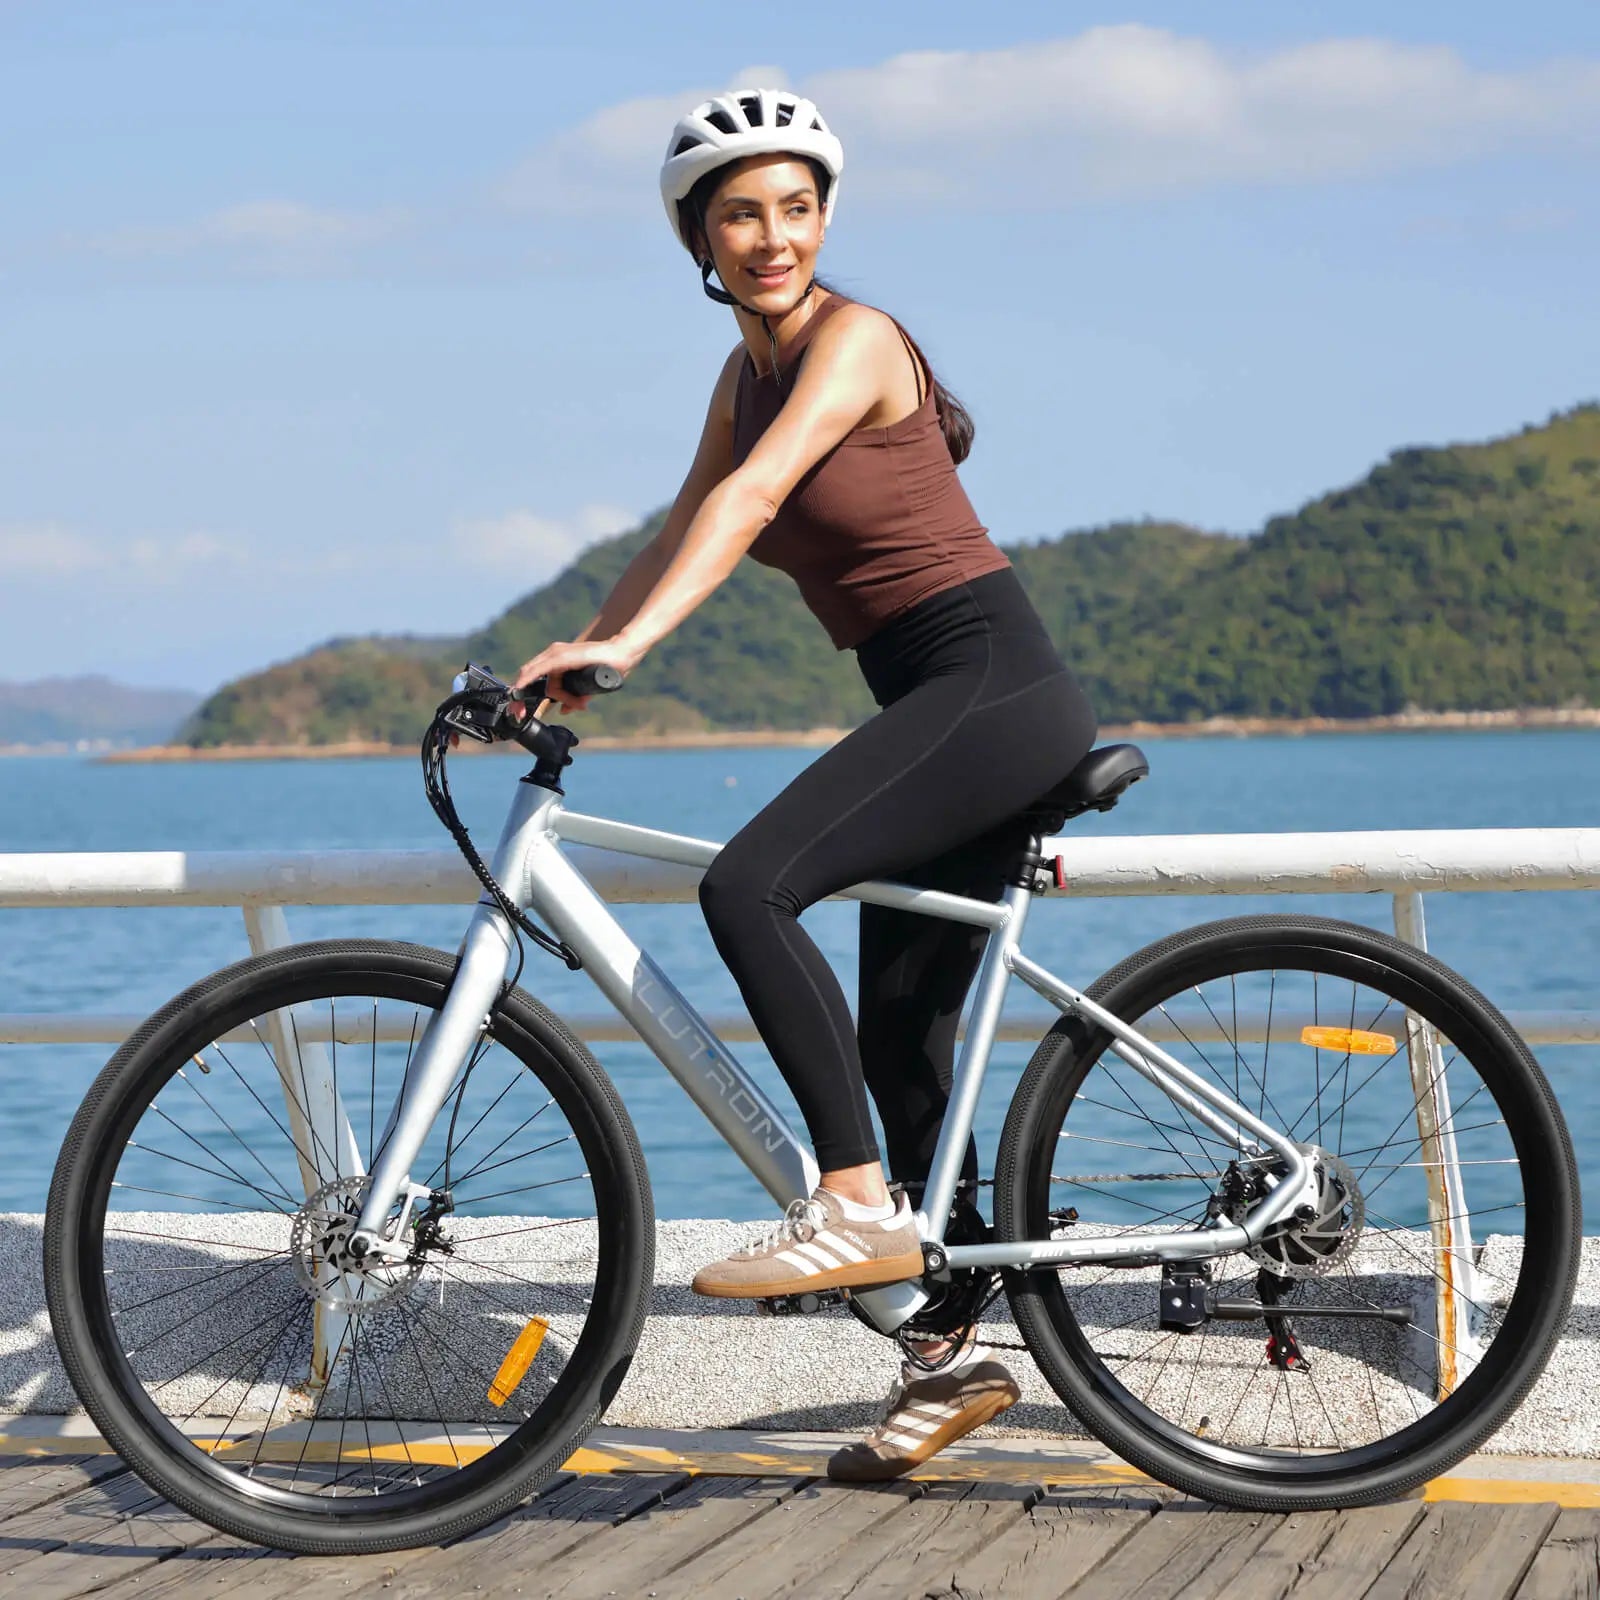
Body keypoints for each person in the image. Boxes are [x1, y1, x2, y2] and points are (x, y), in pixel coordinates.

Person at [513, 87, 1097, 1479]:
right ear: (698, 242)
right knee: (898, 1045)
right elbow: (684, 521)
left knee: (750, 884)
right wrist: (582, 653)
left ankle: (847, 1204)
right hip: (933, 701)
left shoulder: (857, 341)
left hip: (992, 691)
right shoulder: (744, 372)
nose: (773, 236)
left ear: (824, 218)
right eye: (740, 213)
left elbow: (754, 502)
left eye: (796, 207)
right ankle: (948, 1358)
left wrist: (635, 644)